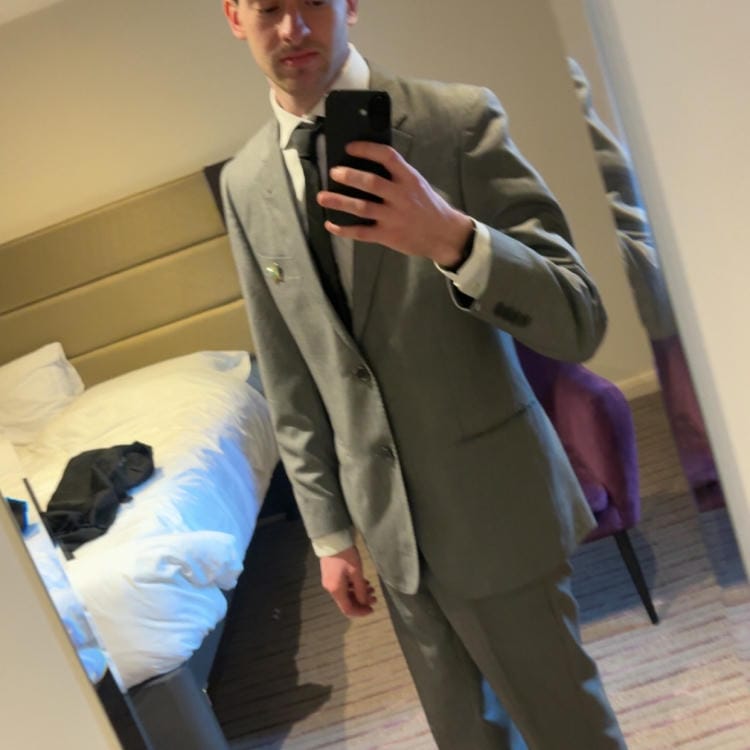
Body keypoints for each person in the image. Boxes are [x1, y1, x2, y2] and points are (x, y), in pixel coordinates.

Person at [219, 1, 627, 748]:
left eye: (311, 1)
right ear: (233, 16)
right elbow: (288, 372)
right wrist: (329, 533)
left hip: (493, 512)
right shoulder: (245, 182)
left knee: (568, 731)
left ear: (350, 5)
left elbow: (580, 319)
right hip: (390, 537)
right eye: (268, 6)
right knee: (465, 737)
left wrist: (453, 239)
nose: (292, 29)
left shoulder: (455, 122)